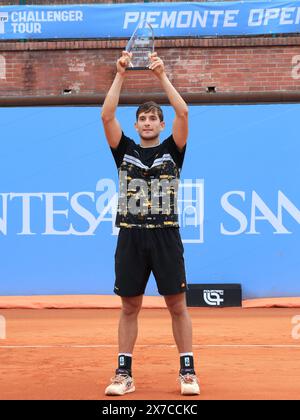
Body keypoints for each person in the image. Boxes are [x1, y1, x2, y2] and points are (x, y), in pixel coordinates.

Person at [101, 50, 200, 396]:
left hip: (165, 236)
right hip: (130, 237)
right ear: (136, 124)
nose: (146, 122)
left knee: (177, 305)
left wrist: (161, 76)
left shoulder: (173, 151)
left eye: (152, 118)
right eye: (142, 117)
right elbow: (106, 114)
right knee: (130, 306)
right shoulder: (123, 149)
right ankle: (123, 374)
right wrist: (121, 74)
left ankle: (187, 372)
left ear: (161, 125)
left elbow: (184, 111)